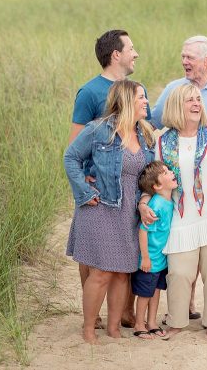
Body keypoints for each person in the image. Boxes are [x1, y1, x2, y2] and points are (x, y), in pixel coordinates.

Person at [64, 79, 155, 344]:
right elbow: (71, 157)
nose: (146, 102)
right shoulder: (98, 130)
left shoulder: (145, 133)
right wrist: (84, 189)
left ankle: (113, 328)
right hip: (101, 207)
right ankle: (89, 329)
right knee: (101, 272)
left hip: (130, 210)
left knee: (122, 271)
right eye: (141, 97)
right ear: (126, 100)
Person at [139, 82, 207, 342]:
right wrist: (143, 203)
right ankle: (177, 321)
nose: (196, 104)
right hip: (180, 218)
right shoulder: (162, 143)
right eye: (189, 100)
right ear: (175, 106)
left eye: (198, 99)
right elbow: (151, 183)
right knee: (178, 272)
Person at [68, 29, 144, 328]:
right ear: (117, 54)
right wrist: (83, 185)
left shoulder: (136, 89)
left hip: (128, 187)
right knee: (92, 256)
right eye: (131, 48)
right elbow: (75, 144)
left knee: (126, 257)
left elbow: (142, 132)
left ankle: (124, 313)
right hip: (97, 190)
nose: (136, 53)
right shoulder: (89, 92)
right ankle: (94, 316)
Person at [131, 161, 176, 340]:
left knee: (156, 290)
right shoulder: (155, 205)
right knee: (144, 294)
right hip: (150, 259)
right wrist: (145, 258)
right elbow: (143, 231)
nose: (171, 172)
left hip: (161, 258)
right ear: (157, 186)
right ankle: (139, 324)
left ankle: (151, 322)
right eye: (165, 172)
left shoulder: (169, 201)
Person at [150, 36, 207, 127]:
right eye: (183, 57)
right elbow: (150, 126)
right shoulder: (172, 89)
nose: (184, 62)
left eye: (190, 57)